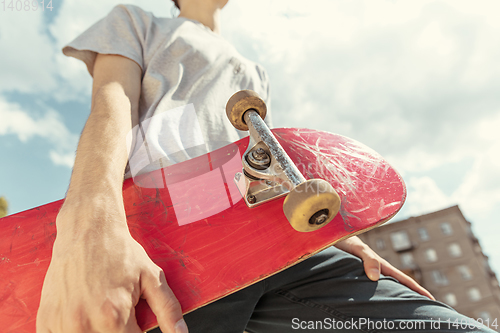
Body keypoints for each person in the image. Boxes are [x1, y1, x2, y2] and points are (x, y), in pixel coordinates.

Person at [36, 1, 496, 332]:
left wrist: (339, 231)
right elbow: (109, 110)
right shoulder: (135, 21)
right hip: (177, 245)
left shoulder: (255, 71)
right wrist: (89, 226)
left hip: (278, 239)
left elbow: (270, 154)